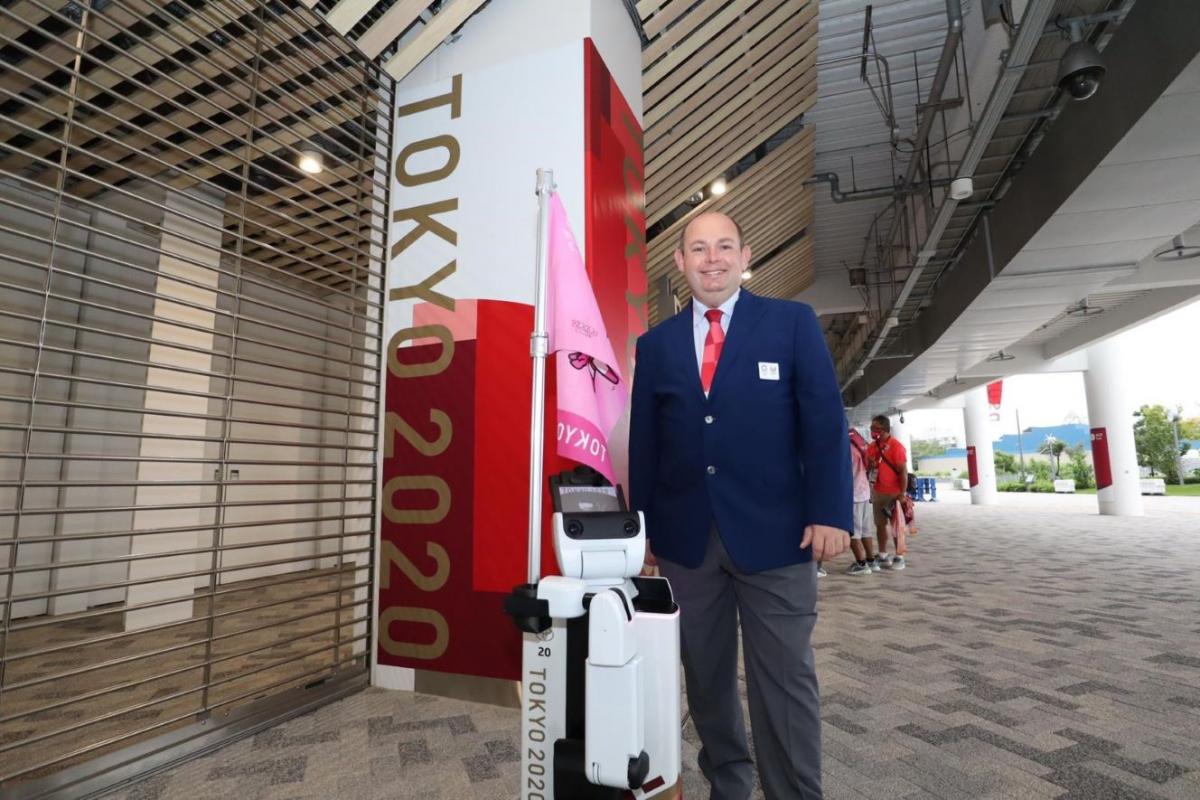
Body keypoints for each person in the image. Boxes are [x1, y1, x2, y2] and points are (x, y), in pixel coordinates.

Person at [629, 211, 851, 800]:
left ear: (745, 254)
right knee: (705, 679)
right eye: (698, 249)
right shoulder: (655, 346)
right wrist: (644, 528)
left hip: (779, 537)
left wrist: (830, 512)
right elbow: (645, 444)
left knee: (784, 678)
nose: (712, 259)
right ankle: (729, 783)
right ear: (678, 262)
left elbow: (824, 424)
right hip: (684, 541)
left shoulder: (792, 324)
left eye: (724, 246)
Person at [867, 415, 907, 570]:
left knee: (897, 526)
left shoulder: (896, 446)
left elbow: (903, 471)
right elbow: (869, 468)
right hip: (878, 491)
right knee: (880, 525)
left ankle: (899, 556)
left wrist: (902, 493)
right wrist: (870, 465)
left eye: (875, 427)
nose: (872, 431)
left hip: (895, 493)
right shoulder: (872, 447)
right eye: (871, 428)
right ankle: (883, 555)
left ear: (884, 429)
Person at [846, 428, 876, 575]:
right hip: (864, 493)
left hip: (854, 495)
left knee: (853, 532)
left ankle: (861, 564)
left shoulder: (847, 450)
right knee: (865, 531)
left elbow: (844, 475)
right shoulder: (859, 447)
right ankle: (871, 560)